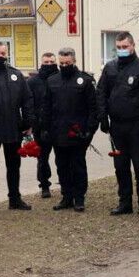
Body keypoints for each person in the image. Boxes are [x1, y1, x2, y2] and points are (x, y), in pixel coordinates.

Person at [97, 31, 139, 215]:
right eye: (119, 47)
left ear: (133, 46)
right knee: (120, 167)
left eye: (125, 47)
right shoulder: (110, 67)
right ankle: (125, 203)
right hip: (118, 126)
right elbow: (101, 93)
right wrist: (103, 117)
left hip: (138, 125)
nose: (122, 50)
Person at [0, 42, 35, 212]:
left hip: (13, 127)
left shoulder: (16, 75)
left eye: (3, 53)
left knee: (14, 165)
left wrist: (28, 122)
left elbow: (27, 100)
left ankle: (14, 199)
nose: (1, 56)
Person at [41, 47, 98, 212]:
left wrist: (90, 130)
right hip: (58, 132)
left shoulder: (84, 80)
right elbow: (47, 107)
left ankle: (79, 198)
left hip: (78, 133)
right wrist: (45, 128)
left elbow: (92, 108)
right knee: (62, 165)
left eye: (67, 63)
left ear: (74, 61)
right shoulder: (52, 81)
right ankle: (66, 196)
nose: (64, 66)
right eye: (61, 63)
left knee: (78, 166)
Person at [29, 51, 58, 198]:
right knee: (42, 158)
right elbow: (28, 103)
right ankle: (44, 185)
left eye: (51, 62)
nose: (49, 65)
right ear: (41, 62)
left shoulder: (60, 79)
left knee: (62, 157)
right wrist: (32, 121)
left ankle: (66, 184)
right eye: (46, 62)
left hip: (59, 125)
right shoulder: (33, 82)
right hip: (40, 126)